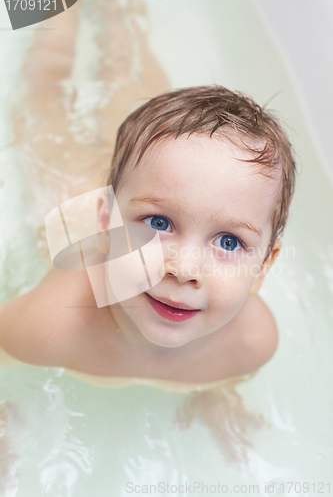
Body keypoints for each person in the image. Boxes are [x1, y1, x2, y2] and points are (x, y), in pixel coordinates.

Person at [0, 85, 297, 464]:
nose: (184, 269)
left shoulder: (251, 344)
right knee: (47, 103)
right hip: (67, 195)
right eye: (158, 222)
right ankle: (55, 30)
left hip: (144, 182)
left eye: (228, 242)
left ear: (263, 268)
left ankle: (126, 30)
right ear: (105, 226)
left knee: (129, 84)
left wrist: (216, 392)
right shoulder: (52, 324)